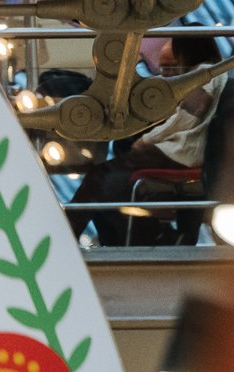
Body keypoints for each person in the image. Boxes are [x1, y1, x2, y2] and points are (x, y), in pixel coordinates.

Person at [66, 34, 230, 246]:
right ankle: (158, 236)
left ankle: (67, 233)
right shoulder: (218, 75)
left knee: (99, 177)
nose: (168, 71)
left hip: (178, 152)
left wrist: (148, 139)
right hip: (185, 152)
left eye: (173, 62)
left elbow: (185, 117)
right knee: (110, 184)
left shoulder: (203, 73)